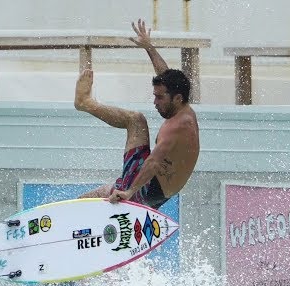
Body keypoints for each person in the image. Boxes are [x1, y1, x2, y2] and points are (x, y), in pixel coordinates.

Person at [73, 19, 200, 210]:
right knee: (101, 194)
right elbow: (165, 73)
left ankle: (85, 103)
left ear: (177, 98)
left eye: (159, 98)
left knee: (135, 120)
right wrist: (149, 47)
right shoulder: (184, 109)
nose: (155, 102)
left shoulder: (175, 128)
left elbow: (153, 162)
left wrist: (129, 192)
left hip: (147, 190)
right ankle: (80, 209)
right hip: (159, 192)